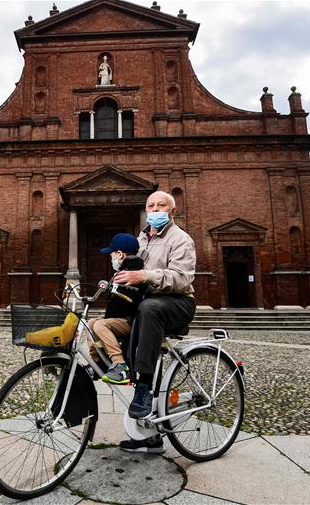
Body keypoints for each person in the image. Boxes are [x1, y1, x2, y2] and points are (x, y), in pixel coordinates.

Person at [114, 191, 196, 453]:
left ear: (172, 210)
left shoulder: (181, 239)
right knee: (116, 314)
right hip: (150, 304)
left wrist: (145, 275)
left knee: (148, 309)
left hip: (177, 302)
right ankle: (150, 436)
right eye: (151, 205)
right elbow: (135, 271)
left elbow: (182, 279)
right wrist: (120, 269)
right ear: (146, 210)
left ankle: (144, 385)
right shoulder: (141, 238)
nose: (155, 209)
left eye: (161, 205)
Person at [88, 233, 145, 385]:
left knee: (100, 324)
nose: (110, 257)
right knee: (91, 323)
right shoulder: (123, 273)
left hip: (130, 321)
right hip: (121, 319)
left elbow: (124, 303)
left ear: (120, 254)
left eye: (112, 253)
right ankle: (96, 364)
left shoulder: (131, 274)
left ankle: (120, 365)